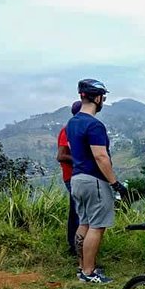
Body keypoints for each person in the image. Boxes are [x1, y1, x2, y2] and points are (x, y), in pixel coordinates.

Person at [67, 79, 127, 283]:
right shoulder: (94, 125)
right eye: (103, 97)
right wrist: (114, 183)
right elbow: (101, 157)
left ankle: (82, 267)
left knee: (84, 222)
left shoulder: (72, 122)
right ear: (97, 97)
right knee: (97, 226)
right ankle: (89, 272)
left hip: (77, 179)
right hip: (94, 181)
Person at [56, 101, 82, 256]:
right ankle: (75, 248)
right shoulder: (67, 131)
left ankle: (74, 246)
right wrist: (81, 159)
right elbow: (61, 155)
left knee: (76, 211)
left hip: (78, 176)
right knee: (78, 212)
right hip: (72, 176)